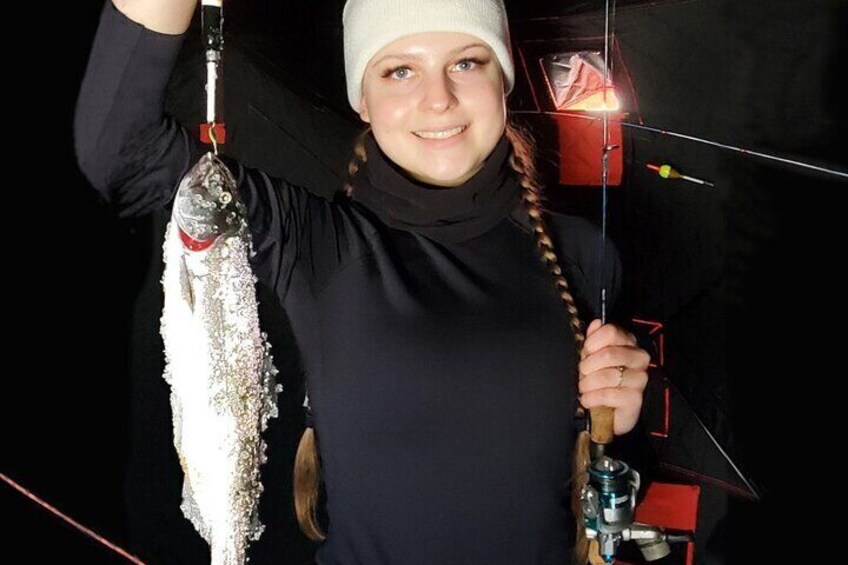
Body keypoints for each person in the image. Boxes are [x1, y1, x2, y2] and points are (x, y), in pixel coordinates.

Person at [74, 0, 651, 563]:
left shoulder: (584, 253)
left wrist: (612, 422)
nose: (438, 98)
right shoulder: (316, 242)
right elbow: (122, 153)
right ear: (364, 101)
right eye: (400, 70)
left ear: (503, 80)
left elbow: (584, 491)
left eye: (467, 62)